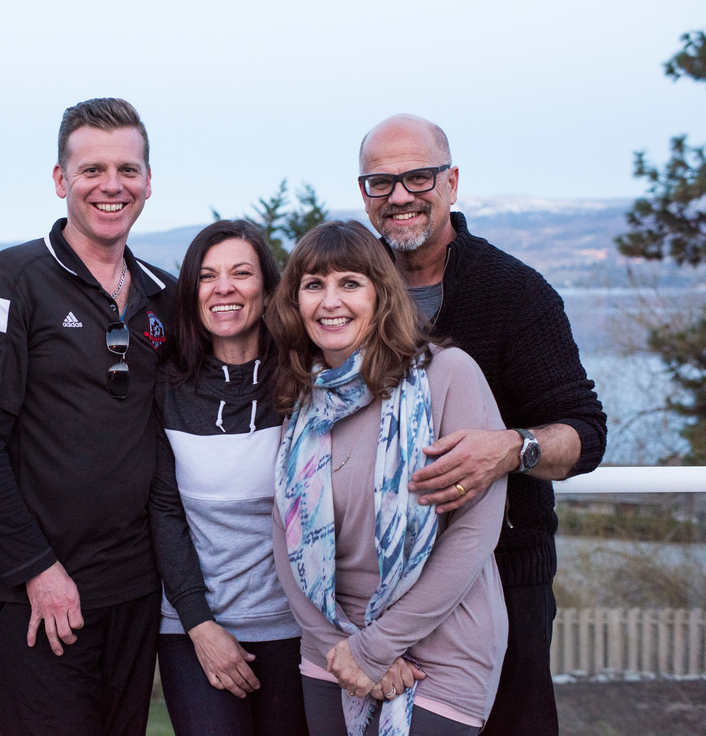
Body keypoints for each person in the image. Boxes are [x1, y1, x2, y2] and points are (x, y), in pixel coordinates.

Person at [356, 114, 607, 736]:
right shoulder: (348, 293)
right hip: (374, 585)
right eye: (381, 182)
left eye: (418, 177)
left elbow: (585, 432)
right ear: (364, 194)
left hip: (501, 576)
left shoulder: (514, 293)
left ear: (452, 182)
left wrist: (512, 448)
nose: (400, 196)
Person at [0, 97, 175, 736]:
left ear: (148, 181)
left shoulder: (165, 295)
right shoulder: (5, 281)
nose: (111, 186)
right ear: (59, 179)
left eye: (127, 170)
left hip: (136, 589)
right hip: (42, 592)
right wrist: (36, 570)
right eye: (92, 169)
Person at [267, 220, 508, 736]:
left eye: (350, 283)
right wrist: (344, 648)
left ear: (381, 294)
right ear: (295, 302)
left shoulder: (448, 375)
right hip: (332, 646)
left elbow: (475, 532)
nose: (330, 301)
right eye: (314, 285)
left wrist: (377, 648)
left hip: (442, 646)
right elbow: (284, 535)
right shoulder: (304, 399)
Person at [148, 219, 309, 736]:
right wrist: (199, 623)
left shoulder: (303, 384)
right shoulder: (167, 387)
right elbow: (165, 512)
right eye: (207, 276)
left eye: (241, 273)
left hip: (296, 628)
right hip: (193, 627)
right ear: (191, 292)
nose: (223, 288)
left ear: (267, 288)